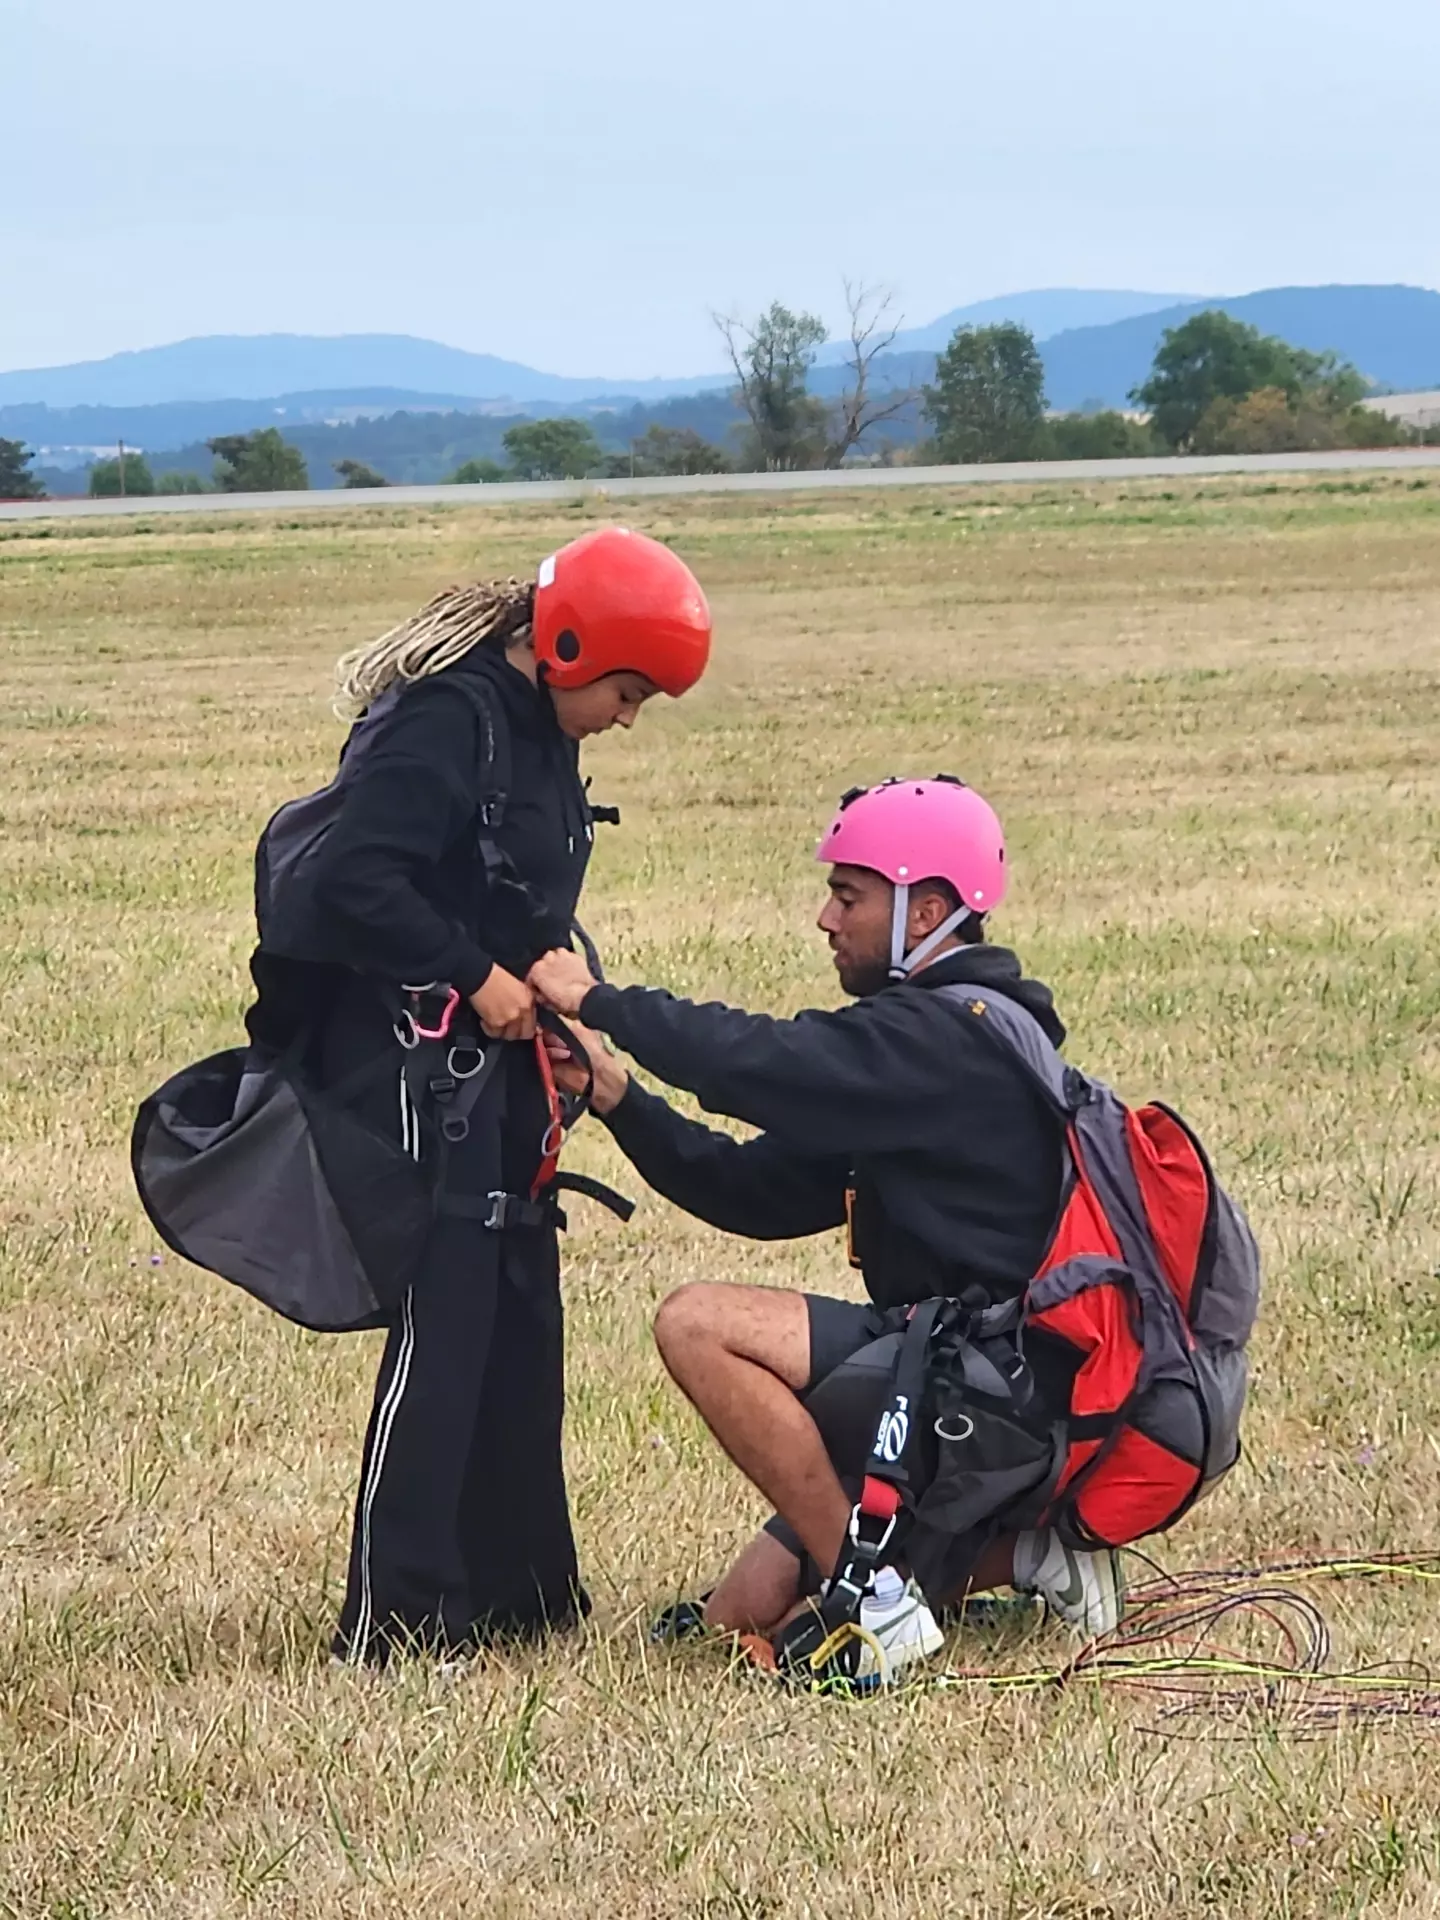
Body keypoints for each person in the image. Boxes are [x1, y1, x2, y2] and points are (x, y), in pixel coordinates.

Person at [528, 776, 1256, 1688]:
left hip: (1005, 1397)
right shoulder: (929, 1054)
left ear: (929, 911)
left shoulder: (941, 1041)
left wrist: (600, 1000)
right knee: (739, 1613)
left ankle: (875, 1602)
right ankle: (1035, 1558)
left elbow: (763, 1064)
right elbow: (750, 1193)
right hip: (998, 1394)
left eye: (849, 896)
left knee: (698, 1324)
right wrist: (616, 1096)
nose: (826, 919)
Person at [245, 525, 711, 1665]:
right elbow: (358, 878)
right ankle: (398, 1624)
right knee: (446, 1315)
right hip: (414, 1059)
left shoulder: (538, 727)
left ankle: (518, 1596)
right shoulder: (444, 720)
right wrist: (477, 977)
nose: (628, 718)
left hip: (500, 1058)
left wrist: (543, 998)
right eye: (628, 692)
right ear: (569, 647)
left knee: (516, 1308)